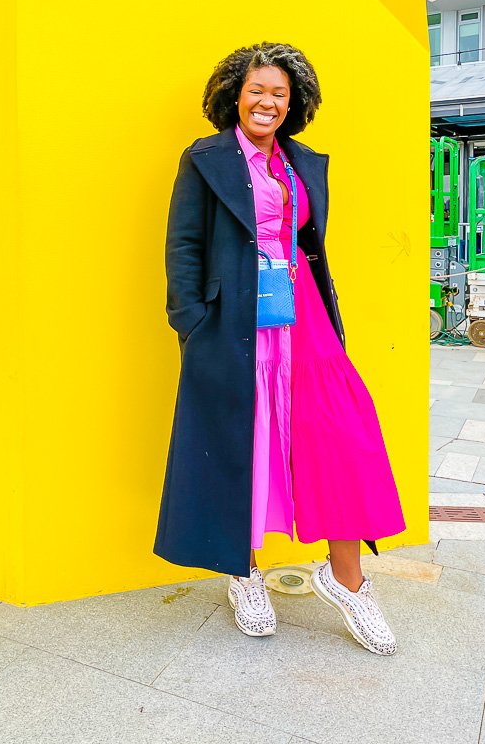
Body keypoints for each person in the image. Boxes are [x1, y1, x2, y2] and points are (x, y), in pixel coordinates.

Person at [154, 42, 406, 655]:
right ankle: (243, 576)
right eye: (257, 90)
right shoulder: (205, 159)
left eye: (280, 94)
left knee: (341, 430)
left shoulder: (301, 162)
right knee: (246, 437)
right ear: (234, 95)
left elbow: (311, 244)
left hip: (304, 316)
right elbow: (183, 243)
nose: (268, 101)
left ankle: (347, 581)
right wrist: (191, 321)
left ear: (294, 104)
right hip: (232, 320)